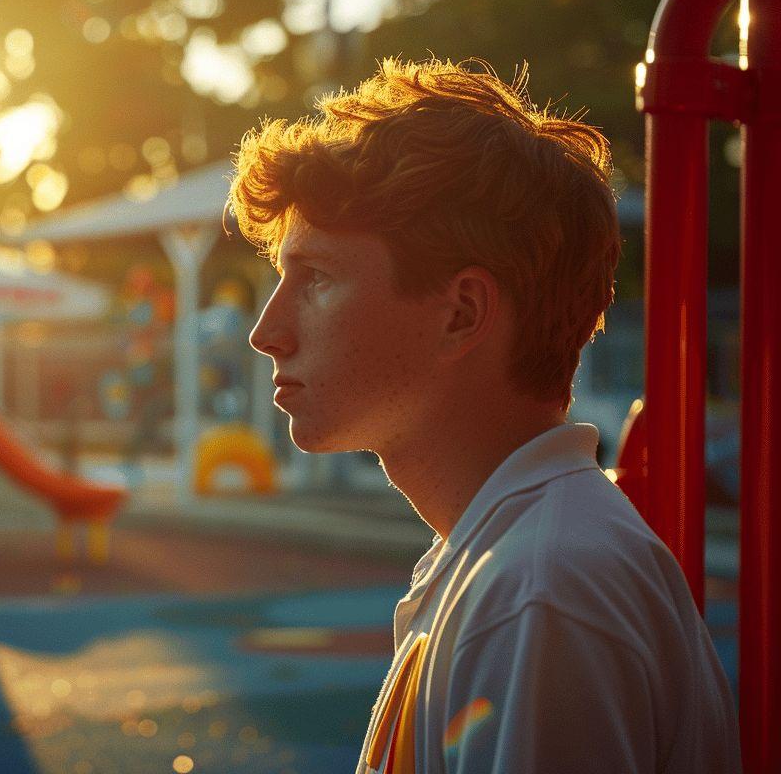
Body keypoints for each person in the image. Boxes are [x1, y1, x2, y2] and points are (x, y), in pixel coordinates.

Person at [229, 58, 740, 773]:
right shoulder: (517, 562)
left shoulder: (541, 595)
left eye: (315, 278)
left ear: (462, 313)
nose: (266, 330)